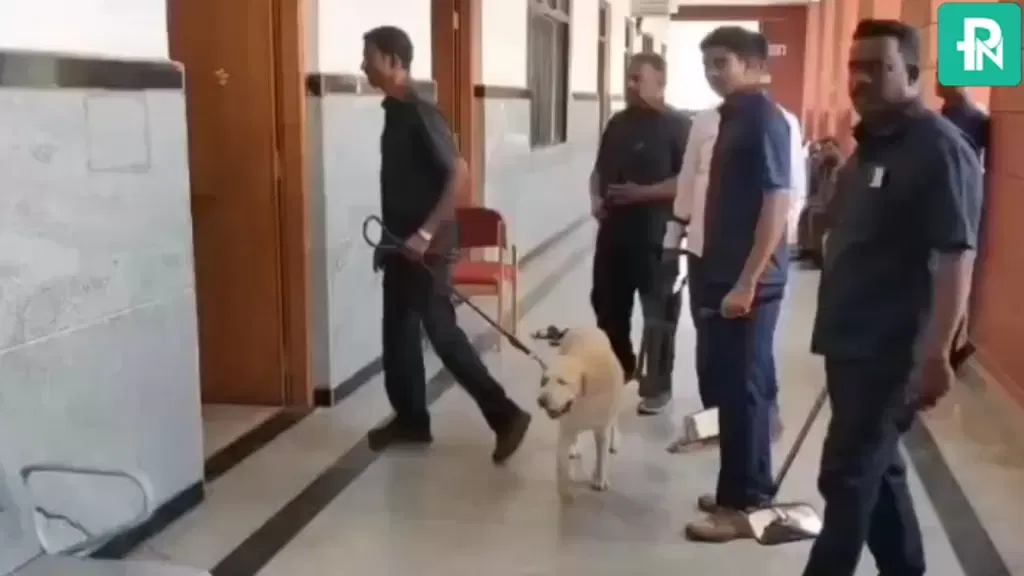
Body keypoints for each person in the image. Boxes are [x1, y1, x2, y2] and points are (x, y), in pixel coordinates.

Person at [802, 20, 982, 576]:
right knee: (879, 472)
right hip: (850, 342)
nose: (859, 79)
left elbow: (955, 254)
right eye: (853, 67)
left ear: (911, 73)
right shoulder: (869, 146)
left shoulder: (939, 148)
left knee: (847, 474)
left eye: (875, 68)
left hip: (892, 350)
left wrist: (936, 354)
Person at [361, 25, 531, 464]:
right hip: (400, 246)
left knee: (441, 331)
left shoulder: (420, 112)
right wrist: (393, 240)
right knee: (398, 334)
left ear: (394, 62)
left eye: (370, 57)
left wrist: (423, 235)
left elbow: (459, 173)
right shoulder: (395, 111)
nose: (363, 66)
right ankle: (411, 419)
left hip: (426, 249)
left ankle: (506, 415)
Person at [675, 26, 793, 542]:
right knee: (730, 387)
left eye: (721, 62)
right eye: (707, 63)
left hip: (751, 281)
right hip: (722, 272)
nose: (712, 72)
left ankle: (748, 505)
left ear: (751, 64)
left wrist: (748, 281)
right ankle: (734, 492)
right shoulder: (730, 117)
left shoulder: (765, 119)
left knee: (746, 392)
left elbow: (777, 202)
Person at [589, 52, 691, 416]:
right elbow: (598, 171)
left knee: (657, 315)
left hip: (657, 236)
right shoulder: (617, 124)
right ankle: (622, 366)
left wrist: (642, 193)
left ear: (660, 83)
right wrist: (595, 199)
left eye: (638, 79)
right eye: (628, 78)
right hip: (614, 234)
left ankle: (658, 386)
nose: (630, 85)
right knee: (606, 306)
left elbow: (689, 181)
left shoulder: (678, 126)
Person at [935, 80, 989, 368]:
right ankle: (951, 344)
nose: (937, 82)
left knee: (956, 274)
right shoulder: (943, 116)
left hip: (962, 204)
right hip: (942, 203)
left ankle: (952, 346)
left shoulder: (974, 119)